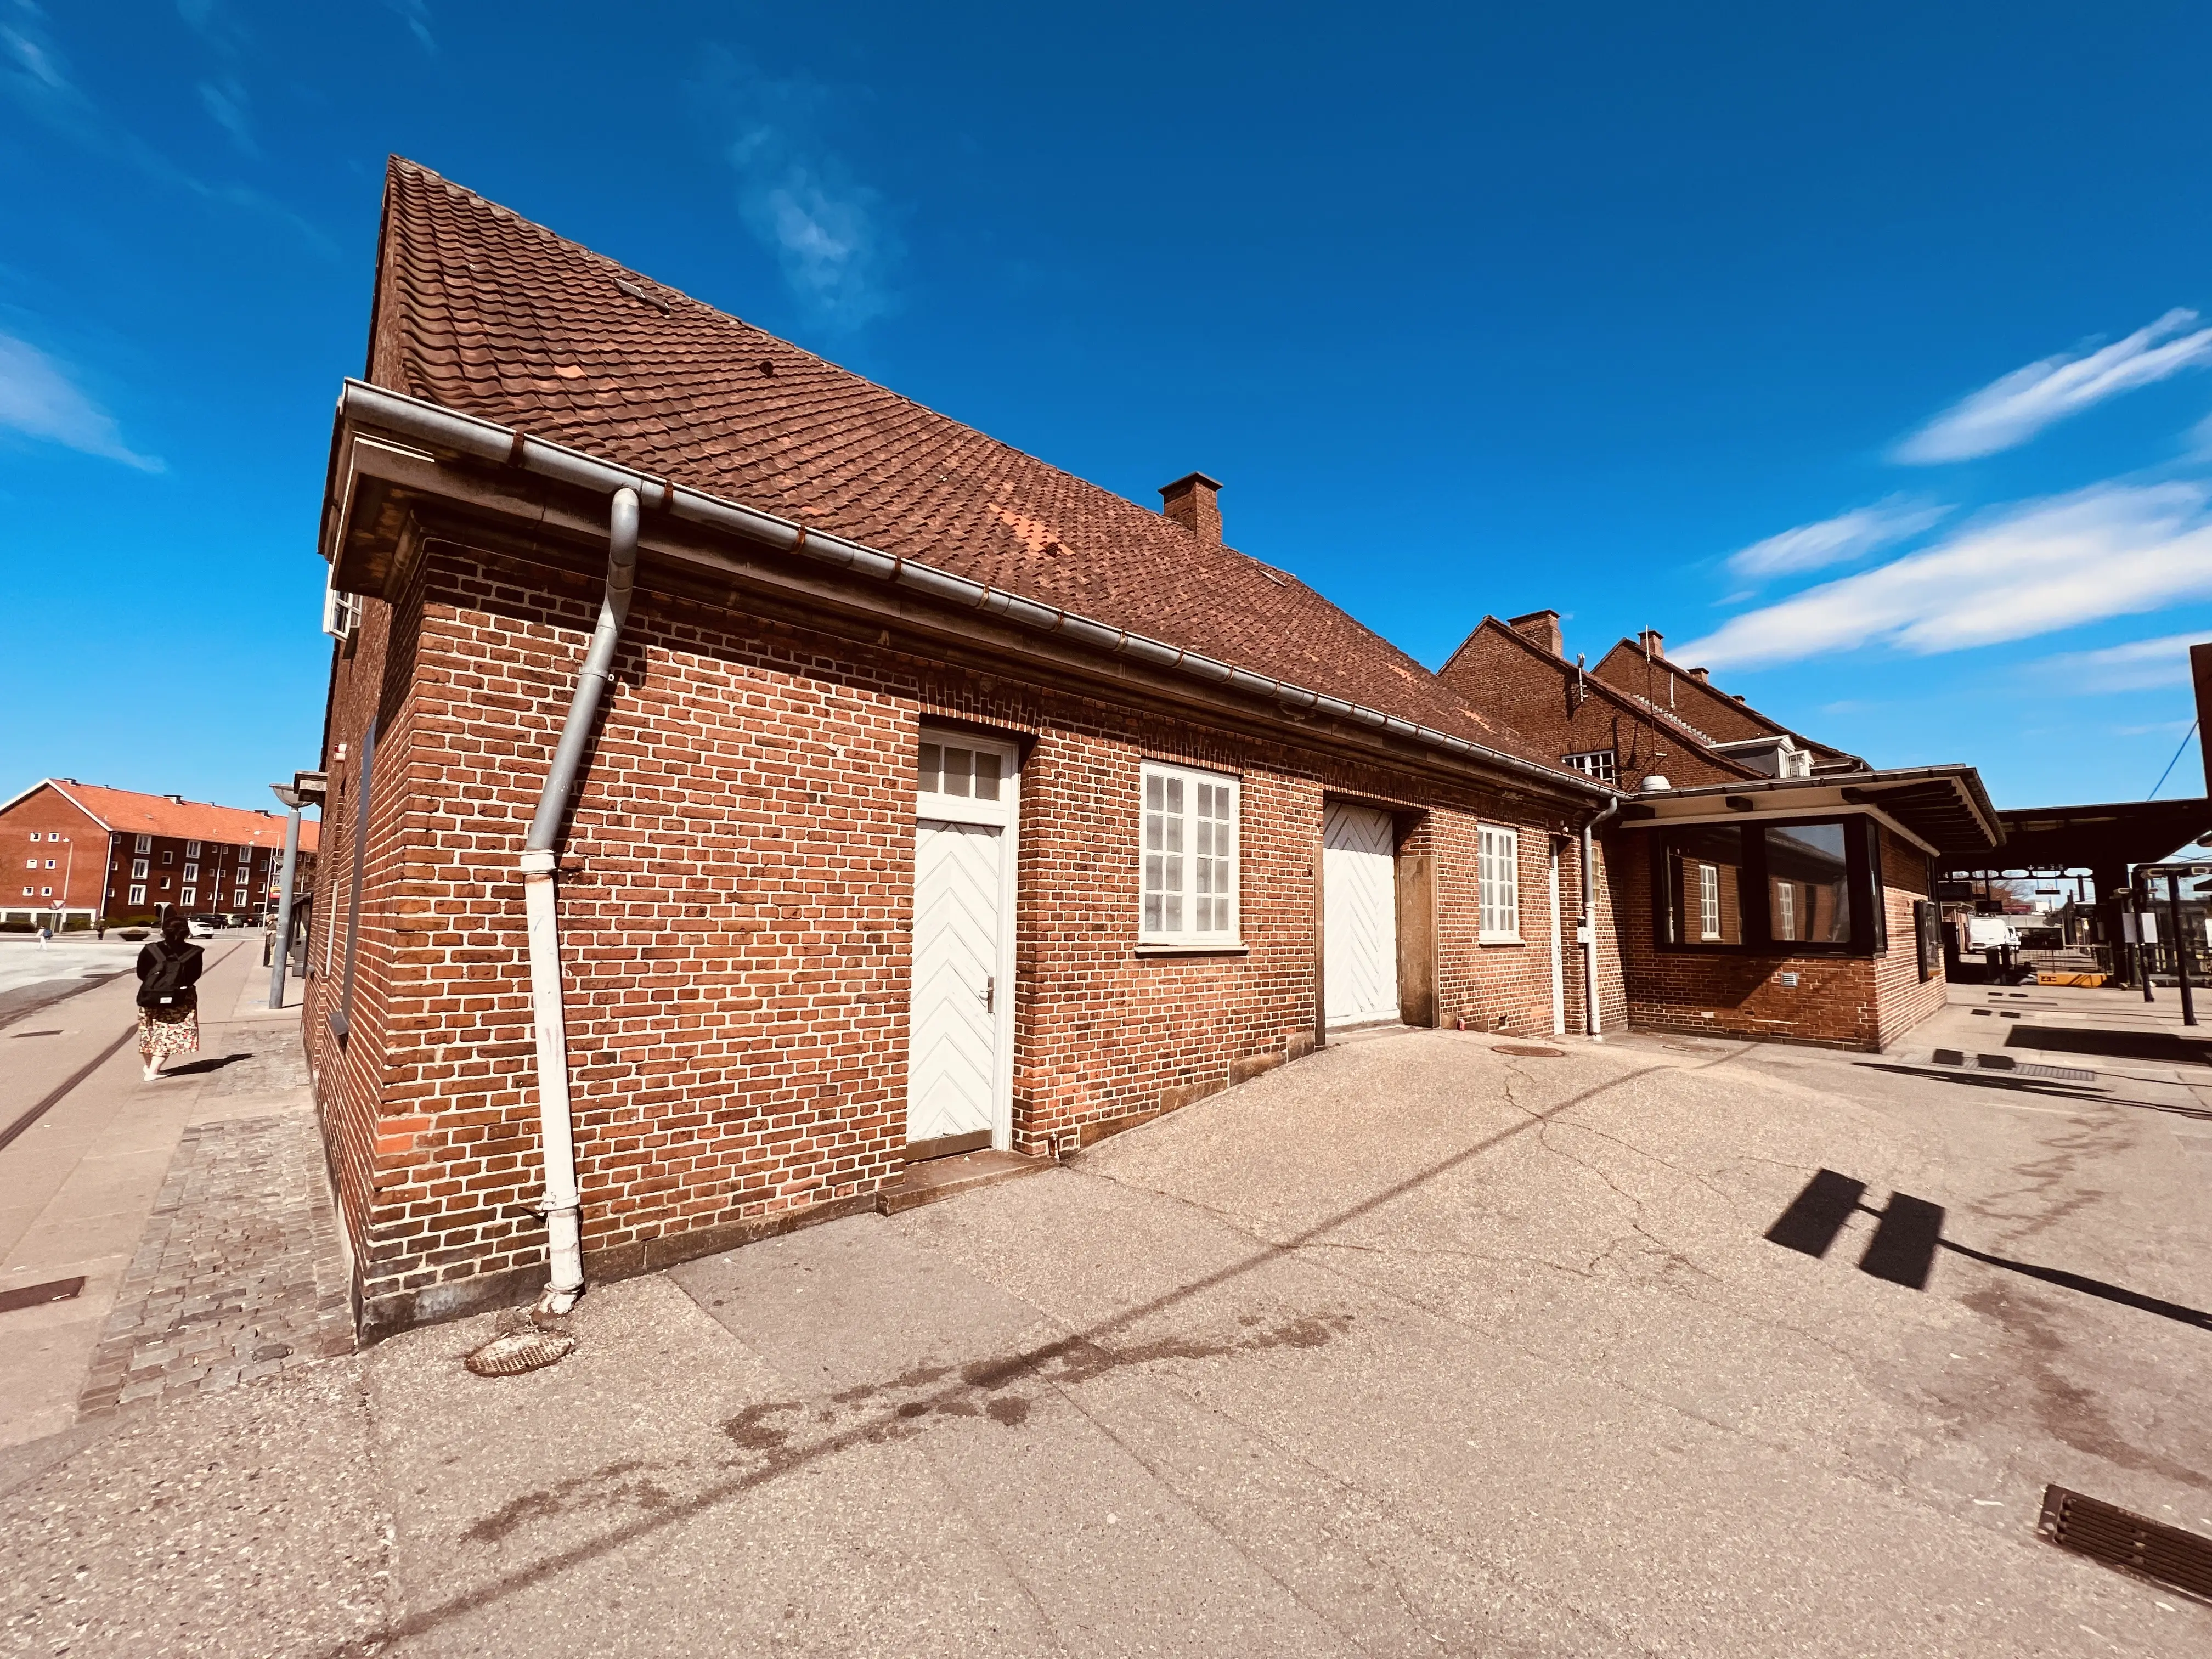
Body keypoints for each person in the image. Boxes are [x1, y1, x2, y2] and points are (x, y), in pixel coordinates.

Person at [134, 916, 205, 1081]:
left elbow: (141, 973)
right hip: (180, 1000)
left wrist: (158, 986)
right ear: (187, 932)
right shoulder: (194, 952)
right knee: (170, 1034)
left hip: (151, 997)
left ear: (163, 931)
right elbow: (193, 976)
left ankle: (150, 1067)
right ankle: (153, 1071)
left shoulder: (150, 949)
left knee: (150, 1032)